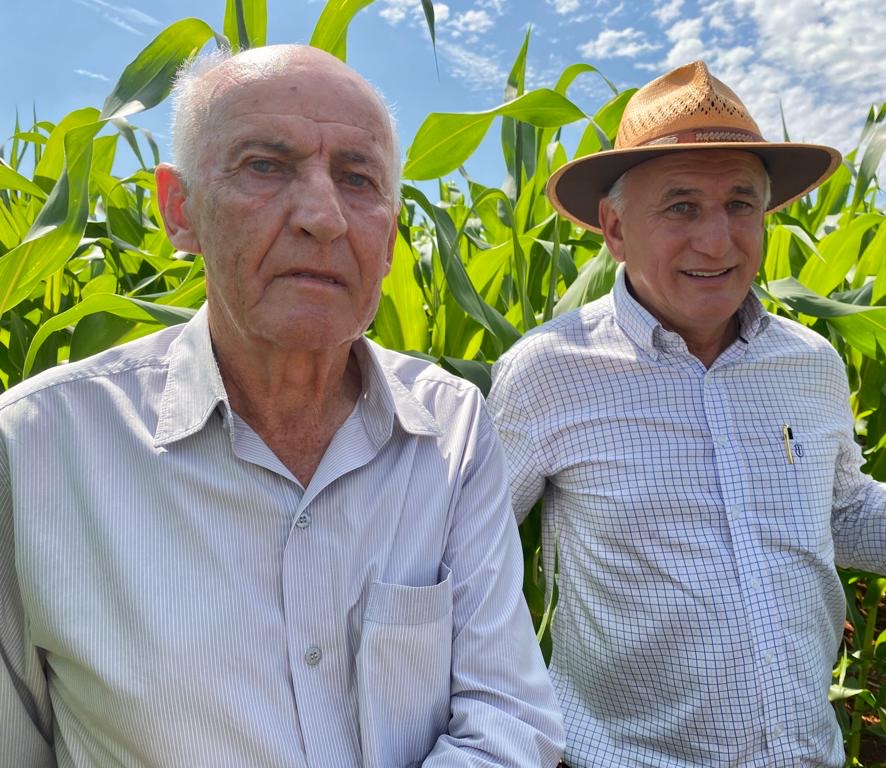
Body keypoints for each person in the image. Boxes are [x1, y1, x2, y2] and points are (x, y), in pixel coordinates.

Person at [0, 45, 563, 767]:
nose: (323, 217)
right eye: (265, 167)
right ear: (180, 212)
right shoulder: (36, 450)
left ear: (390, 240)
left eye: (358, 179)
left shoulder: (452, 429)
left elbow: (509, 716)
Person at [488, 61, 886, 767]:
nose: (718, 240)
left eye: (741, 204)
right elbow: (462, 561)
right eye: (681, 206)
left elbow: (841, 514)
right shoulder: (549, 372)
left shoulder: (809, 364)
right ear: (615, 229)